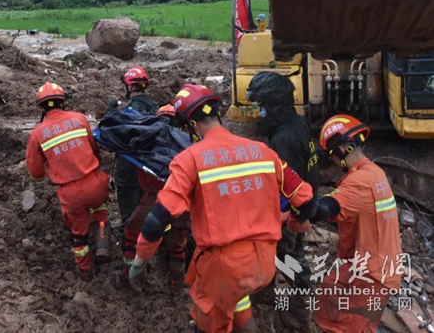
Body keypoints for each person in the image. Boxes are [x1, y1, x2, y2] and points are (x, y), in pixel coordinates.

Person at [129, 84, 317, 333]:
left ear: (191, 126)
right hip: (264, 265)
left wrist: (139, 262)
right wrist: (296, 221)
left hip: (224, 269)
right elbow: (305, 197)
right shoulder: (262, 151)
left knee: (208, 321)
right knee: (237, 297)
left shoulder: (190, 160)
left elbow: (156, 221)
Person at [307, 114, 402, 333]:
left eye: (330, 155)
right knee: (330, 290)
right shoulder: (375, 173)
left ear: (341, 150)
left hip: (371, 274)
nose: (331, 161)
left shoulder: (358, 182)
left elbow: (323, 209)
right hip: (374, 265)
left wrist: (298, 204)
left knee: (346, 327)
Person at [247, 71, 320, 325]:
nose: (259, 110)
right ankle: (267, 296)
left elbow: (287, 183)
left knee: (288, 258)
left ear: (273, 104)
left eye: (262, 105)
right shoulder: (296, 123)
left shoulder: (284, 138)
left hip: (291, 212)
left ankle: (300, 312)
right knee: (279, 254)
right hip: (300, 206)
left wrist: (286, 218)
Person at [26, 82, 111, 283]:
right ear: (63, 102)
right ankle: (102, 238)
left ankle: (86, 273)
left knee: (78, 234)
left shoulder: (37, 134)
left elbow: (35, 173)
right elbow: (93, 149)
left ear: (41, 107)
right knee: (100, 208)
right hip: (94, 182)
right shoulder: (79, 119)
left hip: (70, 194)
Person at [121, 104, 190, 292]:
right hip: (181, 202)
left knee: (132, 235)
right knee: (177, 245)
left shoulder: (147, 142)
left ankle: (132, 278)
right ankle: (176, 287)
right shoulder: (187, 146)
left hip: (153, 200)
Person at [107, 67, 159, 230]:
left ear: (129, 86)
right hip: (151, 161)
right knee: (146, 195)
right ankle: (147, 223)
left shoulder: (126, 111)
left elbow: (110, 130)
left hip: (128, 161)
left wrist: (110, 109)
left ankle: (128, 228)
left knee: (127, 192)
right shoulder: (156, 108)